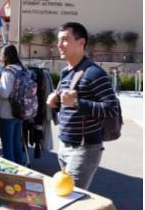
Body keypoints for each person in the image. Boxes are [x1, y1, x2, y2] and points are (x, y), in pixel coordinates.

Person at [46, 22, 119, 189]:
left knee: (72, 196)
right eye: (58, 40)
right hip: (64, 145)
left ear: (81, 42)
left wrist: (78, 102)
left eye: (65, 40)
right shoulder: (66, 72)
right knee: (65, 193)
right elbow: (69, 107)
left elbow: (111, 108)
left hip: (84, 148)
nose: (59, 45)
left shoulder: (94, 73)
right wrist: (55, 103)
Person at [0, 44, 24, 165]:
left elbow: (5, 93)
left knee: (8, 146)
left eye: (1, 54)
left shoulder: (8, 71)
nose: (1, 57)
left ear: (6, 56)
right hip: (19, 111)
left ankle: (10, 174)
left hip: (7, 113)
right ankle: (21, 169)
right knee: (17, 143)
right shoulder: (22, 69)